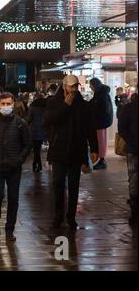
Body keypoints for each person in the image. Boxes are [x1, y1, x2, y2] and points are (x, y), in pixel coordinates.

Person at [43, 75, 98, 230]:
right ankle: (58, 216)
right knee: (58, 183)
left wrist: (94, 148)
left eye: (76, 87)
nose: (73, 90)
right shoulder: (54, 102)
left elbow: (90, 128)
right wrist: (65, 106)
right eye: (71, 86)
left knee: (74, 185)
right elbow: (48, 121)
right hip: (58, 150)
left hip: (76, 150)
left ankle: (71, 217)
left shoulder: (83, 105)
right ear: (64, 87)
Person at [0, 92, 31, 241]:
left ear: (13, 104)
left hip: (14, 167)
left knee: (13, 198)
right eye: (3, 104)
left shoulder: (21, 123)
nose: (6, 106)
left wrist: (20, 158)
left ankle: (10, 229)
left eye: (8, 103)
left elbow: (28, 144)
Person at [118, 94, 138, 225]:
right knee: (134, 181)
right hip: (134, 150)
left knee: (134, 181)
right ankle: (135, 211)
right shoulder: (129, 108)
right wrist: (132, 142)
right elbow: (122, 129)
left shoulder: (129, 108)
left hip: (133, 149)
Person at [89, 78, 113, 170]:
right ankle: (101, 160)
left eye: (91, 85)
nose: (90, 87)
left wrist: (94, 114)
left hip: (101, 122)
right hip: (101, 122)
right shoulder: (100, 93)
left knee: (101, 141)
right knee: (100, 141)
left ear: (95, 85)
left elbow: (103, 109)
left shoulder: (101, 95)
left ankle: (102, 161)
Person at [27, 93, 47, 172]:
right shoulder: (45, 107)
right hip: (43, 131)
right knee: (37, 149)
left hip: (34, 131)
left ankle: (36, 165)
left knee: (36, 150)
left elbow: (29, 119)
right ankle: (37, 165)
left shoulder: (32, 108)